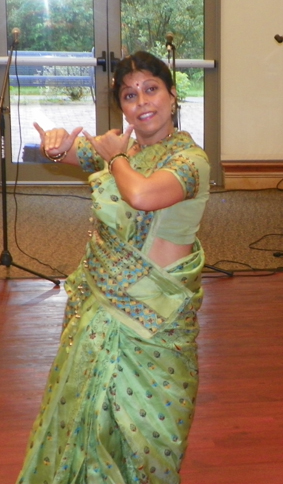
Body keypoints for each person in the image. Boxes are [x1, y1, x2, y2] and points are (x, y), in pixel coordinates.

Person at [16, 51, 211, 484]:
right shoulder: (125, 152)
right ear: (121, 106)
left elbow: (141, 195)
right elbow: (63, 152)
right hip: (106, 309)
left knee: (150, 438)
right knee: (88, 422)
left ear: (173, 95)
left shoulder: (190, 160)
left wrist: (115, 158)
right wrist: (58, 140)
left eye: (151, 88)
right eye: (129, 94)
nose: (142, 101)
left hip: (157, 318)